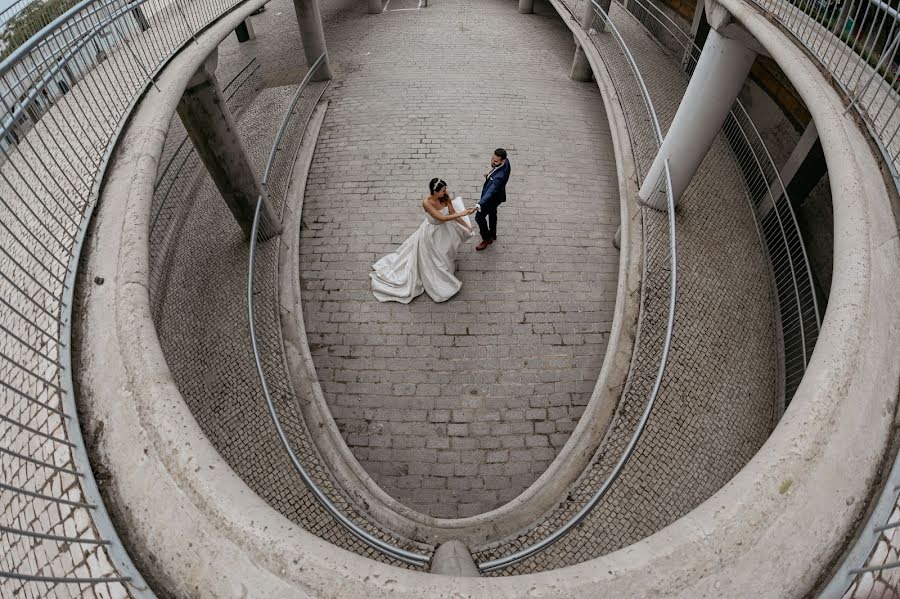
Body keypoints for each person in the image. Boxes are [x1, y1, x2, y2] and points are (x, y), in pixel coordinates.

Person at [371, 178, 477, 303]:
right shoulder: (427, 202)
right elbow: (442, 218)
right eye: (443, 190)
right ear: (435, 192)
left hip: (445, 231)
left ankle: (446, 270)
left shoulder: (445, 197)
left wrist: (467, 226)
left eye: (445, 189)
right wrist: (462, 213)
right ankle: (439, 278)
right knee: (437, 255)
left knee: (446, 252)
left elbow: (452, 213)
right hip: (432, 233)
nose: (446, 191)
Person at [475, 148, 511, 251]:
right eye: (492, 159)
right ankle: (493, 234)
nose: (492, 162)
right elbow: (496, 170)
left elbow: (490, 191)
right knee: (492, 214)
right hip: (498, 196)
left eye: (495, 161)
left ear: (502, 161)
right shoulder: (506, 162)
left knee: (479, 217)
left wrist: (479, 204)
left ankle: (487, 239)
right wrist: (490, 174)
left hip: (491, 198)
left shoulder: (499, 178)